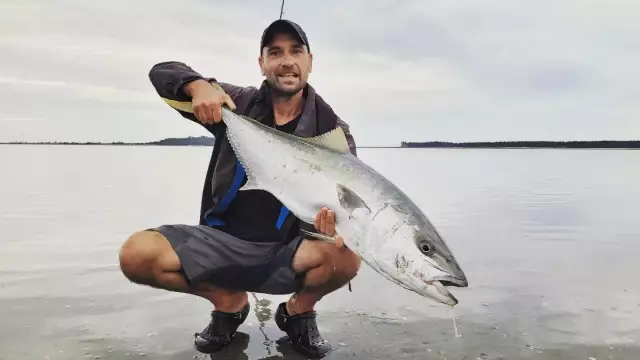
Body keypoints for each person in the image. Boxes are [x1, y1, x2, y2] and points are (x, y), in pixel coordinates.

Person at [117, 19, 361, 358]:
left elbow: (348, 201)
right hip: (224, 243)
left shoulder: (331, 131)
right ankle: (228, 303)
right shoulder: (235, 104)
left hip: (287, 251)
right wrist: (197, 86)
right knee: (137, 254)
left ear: (309, 61)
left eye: (296, 51)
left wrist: (333, 227)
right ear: (261, 63)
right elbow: (162, 73)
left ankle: (299, 312)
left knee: (347, 254)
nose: (286, 61)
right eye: (275, 52)